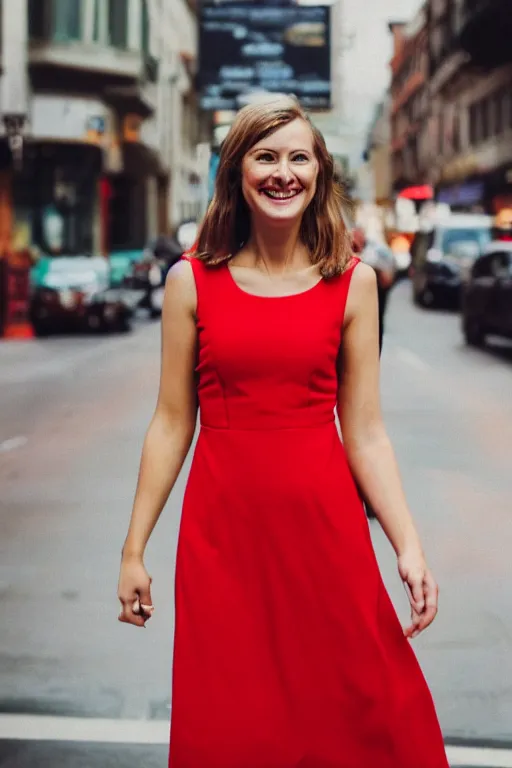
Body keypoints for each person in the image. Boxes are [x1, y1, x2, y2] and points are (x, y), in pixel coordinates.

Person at [117, 95, 449, 768]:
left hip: (326, 533)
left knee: (360, 710)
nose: (283, 173)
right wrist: (133, 549)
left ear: (319, 173)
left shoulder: (352, 284)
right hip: (223, 537)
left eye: (299, 157)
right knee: (233, 722)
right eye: (265, 157)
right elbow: (171, 422)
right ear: (237, 170)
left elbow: (367, 433)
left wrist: (407, 544)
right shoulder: (190, 282)